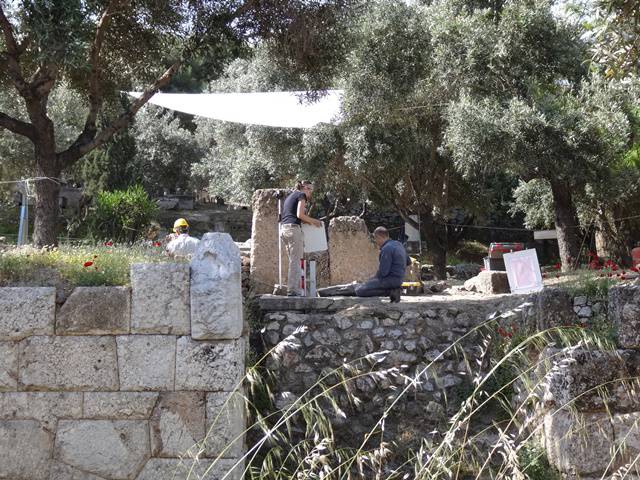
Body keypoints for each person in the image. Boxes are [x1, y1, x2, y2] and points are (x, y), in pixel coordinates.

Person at [280, 180, 322, 296]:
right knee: (296, 261)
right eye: (310, 189)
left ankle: (293, 289)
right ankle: (293, 291)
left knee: (293, 261)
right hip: (293, 230)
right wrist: (314, 221)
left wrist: (307, 222)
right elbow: (300, 215)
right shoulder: (301, 195)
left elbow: (294, 216)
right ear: (305, 188)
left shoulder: (290, 196)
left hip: (284, 230)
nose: (310, 193)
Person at [355, 226, 407, 303]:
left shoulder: (386, 248)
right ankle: (394, 290)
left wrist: (370, 281)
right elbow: (408, 262)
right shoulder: (399, 244)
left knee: (359, 290)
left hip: (389, 280)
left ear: (378, 237)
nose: (376, 242)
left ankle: (391, 292)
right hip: (399, 280)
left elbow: (383, 272)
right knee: (369, 285)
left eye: (375, 239)